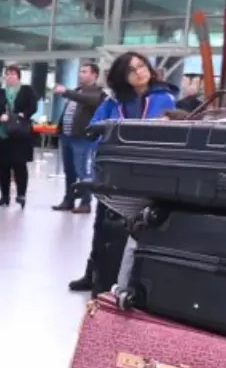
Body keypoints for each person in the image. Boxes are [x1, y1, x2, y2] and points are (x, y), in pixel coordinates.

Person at [69, 51, 176, 295]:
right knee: (103, 227)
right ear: (122, 76)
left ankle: (128, 281)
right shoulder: (113, 102)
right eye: (132, 69)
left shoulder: (164, 98)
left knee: (137, 230)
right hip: (113, 174)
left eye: (142, 66)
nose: (140, 71)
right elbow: (93, 131)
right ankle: (94, 274)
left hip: (147, 175)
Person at [0, 65, 37, 208]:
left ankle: (21, 194)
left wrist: (21, 115)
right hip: (3, 135)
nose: (10, 76)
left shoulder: (26, 90)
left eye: (13, 74)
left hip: (19, 134)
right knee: (3, 165)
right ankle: (4, 195)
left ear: (18, 76)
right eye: (7, 74)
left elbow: (32, 107)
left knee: (19, 165)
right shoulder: (0, 94)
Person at [52, 62, 104, 214]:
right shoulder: (77, 91)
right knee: (69, 171)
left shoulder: (96, 93)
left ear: (94, 75)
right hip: (67, 137)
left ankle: (86, 202)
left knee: (82, 171)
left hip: (82, 138)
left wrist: (65, 91)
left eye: (84, 71)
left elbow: (87, 100)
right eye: (80, 71)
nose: (81, 74)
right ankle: (69, 199)